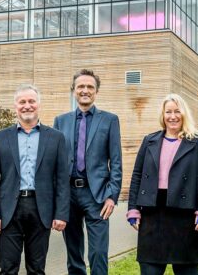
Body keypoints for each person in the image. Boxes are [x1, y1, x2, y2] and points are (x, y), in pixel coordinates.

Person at [127, 94, 198, 275]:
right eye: (168, 111)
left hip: (186, 216)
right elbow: (137, 175)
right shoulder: (149, 141)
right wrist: (133, 208)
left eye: (177, 111)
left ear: (184, 113)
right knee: (149, 271)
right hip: (153, 214)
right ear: (162, 115)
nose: (173, 116)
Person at [0, 84, 70, 275]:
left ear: (38, 104)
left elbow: (62, 179)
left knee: (37, 269)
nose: (27, 106)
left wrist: (61, 213)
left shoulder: (56, 138)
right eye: (22, 102)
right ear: (15, 106)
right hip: (9, 211)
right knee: (8, 268)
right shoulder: (1, 137)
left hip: (42, 210)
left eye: (31, 101)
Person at [54, 69, 122, 275]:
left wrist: (112, 195)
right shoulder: (60, 121)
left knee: (98, 253)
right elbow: (55, 162)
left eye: (90, 87)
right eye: (81, 86)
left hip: (98, 196)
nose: (85, 90)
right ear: (74, 91)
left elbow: (116, 161)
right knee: (73, 254)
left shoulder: (109, 120)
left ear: (96, 91)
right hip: (68, 195)